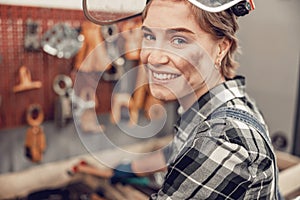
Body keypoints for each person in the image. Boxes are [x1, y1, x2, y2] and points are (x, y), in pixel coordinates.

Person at [80, 0, 282, 199]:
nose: (153, 57)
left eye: (179, 40)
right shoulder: (221, 103)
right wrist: (122, 170)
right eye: (149, 36)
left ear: (221, 49)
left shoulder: (221, 138)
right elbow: (173, 151)